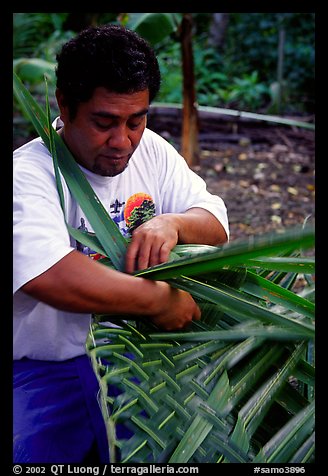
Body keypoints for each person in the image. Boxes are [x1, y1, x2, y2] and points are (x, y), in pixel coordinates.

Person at [13, 24, 229, 463]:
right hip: (46, 370)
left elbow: (215, 224)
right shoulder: (27, 175)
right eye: (104, 122)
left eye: (137, 119)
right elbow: (48, 274)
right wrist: (158, 301)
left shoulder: (151, 150)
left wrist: (174, 224)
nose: (123, 141)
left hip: (142, 360)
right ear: (65, 106)